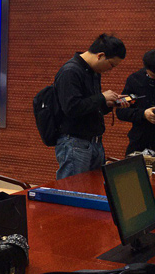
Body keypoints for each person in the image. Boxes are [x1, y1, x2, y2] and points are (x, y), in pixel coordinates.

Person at [54, 33, 128, 180]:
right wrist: (101, 97)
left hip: (94, 141)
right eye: (111, 65)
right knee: (73, 189)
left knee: (94, 188)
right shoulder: (70, 71)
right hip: (75, 142)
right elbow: (71, 108)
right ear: (100, 55)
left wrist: (108, 103)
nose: (110, 69)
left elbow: (90, 105)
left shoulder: (93, 72)